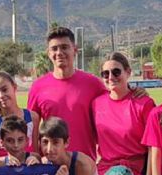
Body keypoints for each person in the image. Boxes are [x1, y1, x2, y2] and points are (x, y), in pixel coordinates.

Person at [28, 26, 107, 159]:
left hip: (84, 162)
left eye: (64, 47)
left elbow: (115, 102)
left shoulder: (93, 84)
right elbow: (31, 129)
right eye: (54, 48)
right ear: (48, 53)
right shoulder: (38, 87)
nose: (59, 52)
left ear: (75, 50)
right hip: (51, 163)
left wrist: (134, 93)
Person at [92, 52, 155, 175]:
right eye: (105, 73)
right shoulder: (96, 104)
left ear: (128, 72)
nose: (110, 77)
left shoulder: (144, 103)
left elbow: (154, 147)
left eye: (116, 71)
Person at [0, 71, 40, 155]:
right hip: (4, 167)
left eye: (4, 90)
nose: (1, 95)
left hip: (28, 166)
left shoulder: (32, 117)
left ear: (14, 87)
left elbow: (36, 151)